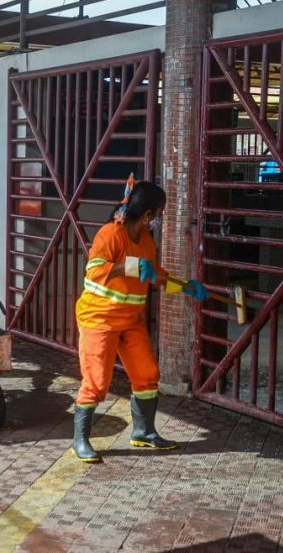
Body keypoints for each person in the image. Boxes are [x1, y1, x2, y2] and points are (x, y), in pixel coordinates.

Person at [71, 177, 209, 463]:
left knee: (147, 375)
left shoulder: (146, 240)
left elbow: (154, 275)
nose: (158, 220)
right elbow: (94, 271)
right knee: (96, 382)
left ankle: (143, 433)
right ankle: (80, 440)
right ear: (147, 215)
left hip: (131, 321)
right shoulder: (111, 235)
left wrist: (184, 286)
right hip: (100, 320)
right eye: (158, 214)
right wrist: (131, 266)